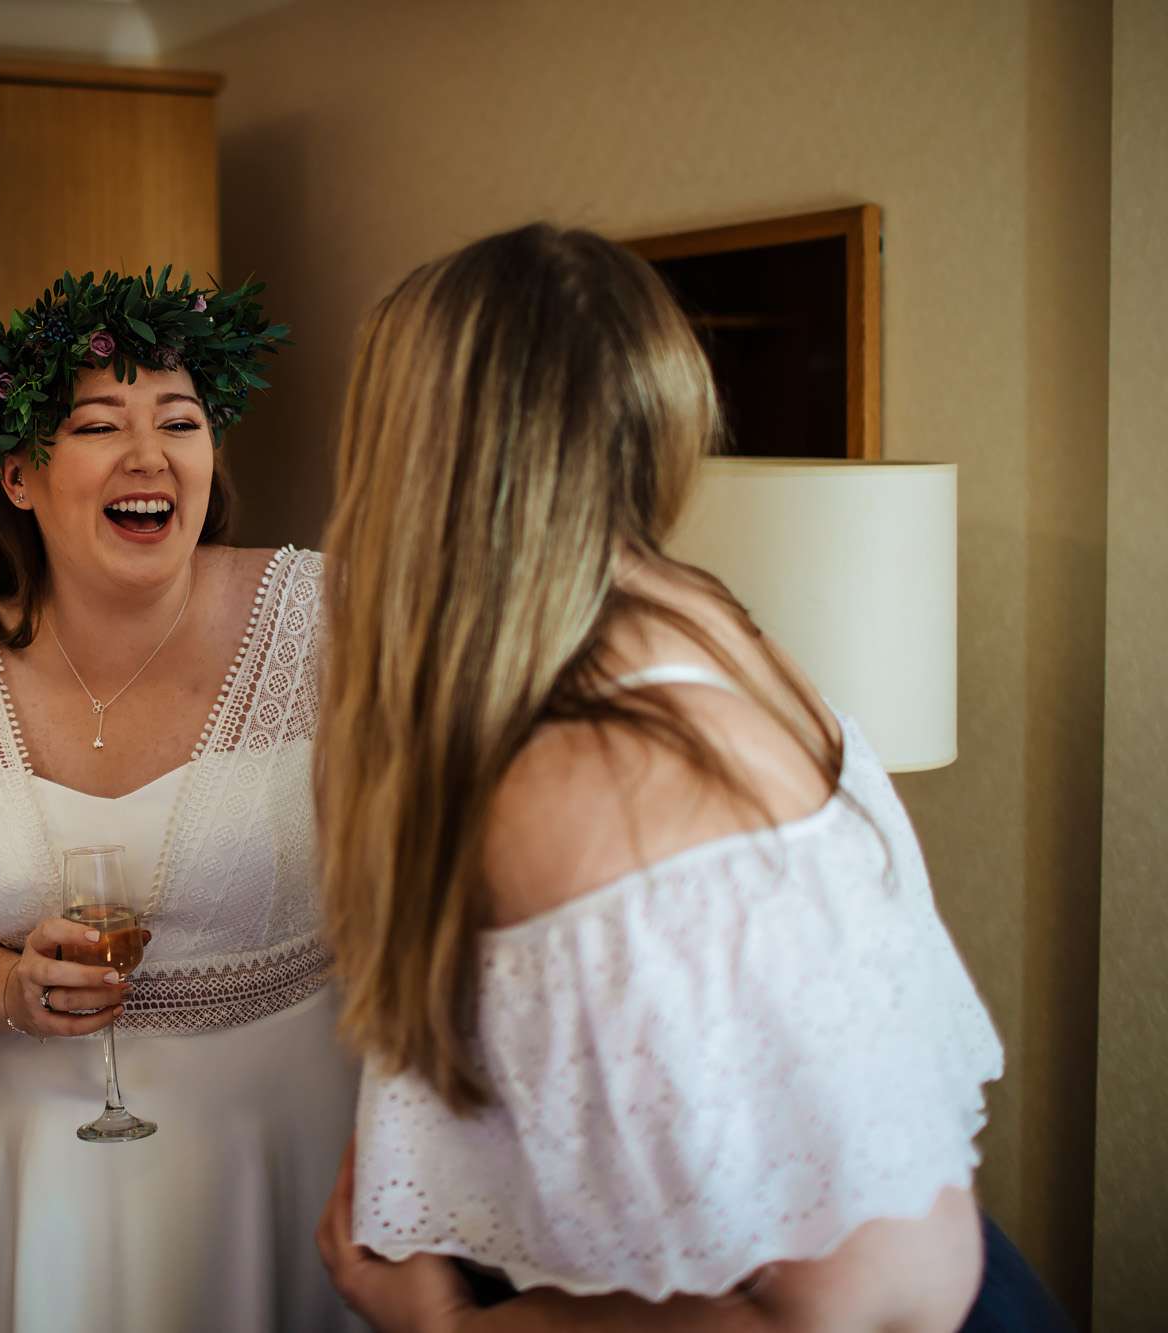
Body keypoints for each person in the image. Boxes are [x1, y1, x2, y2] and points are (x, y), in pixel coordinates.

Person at [311, 225, 1059, 1331]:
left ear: (408, 450)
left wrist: (444, 1326)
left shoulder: (578, 778)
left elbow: (815, 1310)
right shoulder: (687, 614)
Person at [0, 267, 361, 1331]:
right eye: (99, 424)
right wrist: (3, 987)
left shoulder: (320, 613)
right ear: (19, 476)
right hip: (39, 1150)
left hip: (279, 1140)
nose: (149, 455)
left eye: (179, 420)